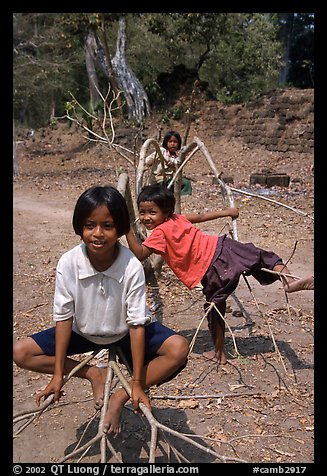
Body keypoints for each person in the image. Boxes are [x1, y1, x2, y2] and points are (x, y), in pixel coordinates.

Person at [13, 185, 189, 436]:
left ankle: (119, 396)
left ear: (120, 228)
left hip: (125, 331)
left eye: (107, 226)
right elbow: (64, 318)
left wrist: (136, 384)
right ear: (79, 227)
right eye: (89, 225)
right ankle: (94, 373)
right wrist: (59, 374)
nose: (98, 234)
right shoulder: (69, 262)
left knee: (179, 348)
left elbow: (137, 324)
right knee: (20, 352)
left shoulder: (131, 266)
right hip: (84, 331)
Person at [125, 184, 314, 365]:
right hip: (223, 246)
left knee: (215, 307)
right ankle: (288, 281)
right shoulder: (177, 219)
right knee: (263, 257)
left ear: (166, 212)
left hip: (211, 268)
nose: (146, 217)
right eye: (142, 212)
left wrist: (127, 231)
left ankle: (219, 352)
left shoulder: (159, 233)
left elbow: (140, 254)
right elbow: (200, 217)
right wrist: (227, 212)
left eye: (152, 212)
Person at [145, 130, 192, 195]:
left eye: (175, 142)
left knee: (186, 183)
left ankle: (180, 197)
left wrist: (172, 166)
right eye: (170, 141)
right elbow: (147, 161)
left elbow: (178, 171)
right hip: (157, 180)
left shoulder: (176, 159)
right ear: (166, 143)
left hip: (168, 181)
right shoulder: (161, 151)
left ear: (178, 144)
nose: (172, 144)